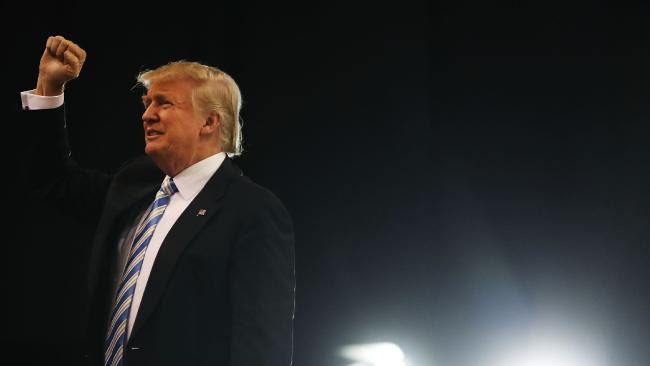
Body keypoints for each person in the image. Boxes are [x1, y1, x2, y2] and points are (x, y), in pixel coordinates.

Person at [20, 35, 295, 366]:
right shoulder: (134, 186)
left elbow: (262, 349)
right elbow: (52, 180)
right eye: (147, 104)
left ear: (209, 121)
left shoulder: (252, 211)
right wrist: (49, 88)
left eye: (164, 104)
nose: (147, 115)